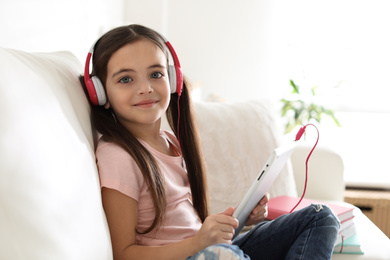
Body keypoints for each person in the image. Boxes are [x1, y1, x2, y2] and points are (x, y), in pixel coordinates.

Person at [79, 24, 340, 260]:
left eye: (156, 74)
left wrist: (238, 220)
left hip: (208, 252)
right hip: (198, 254)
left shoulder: (170, 141)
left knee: (320, 217)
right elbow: (122, 255)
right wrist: (199, 243)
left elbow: (184, 226)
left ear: (173, 80)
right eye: (126, 79)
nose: (146, 87)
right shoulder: (118, 156)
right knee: (223, 254)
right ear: (100, 93)